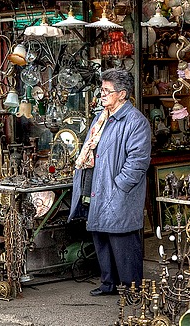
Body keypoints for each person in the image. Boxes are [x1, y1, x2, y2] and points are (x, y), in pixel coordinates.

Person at [68, 68, 152, 296]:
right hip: (99, 186)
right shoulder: (101, 118)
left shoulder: (135, 121)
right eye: (102, 89)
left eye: (106, 91)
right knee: (102, 238)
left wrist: (120, 186)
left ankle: (132, 287)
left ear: (122, 94)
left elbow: (138, 160)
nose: (101, 94)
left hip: (117, 190)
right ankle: (109, 283)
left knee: (122, 240)